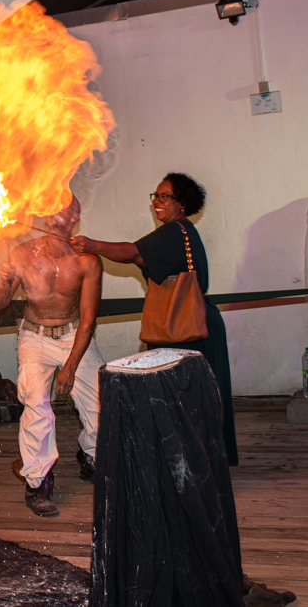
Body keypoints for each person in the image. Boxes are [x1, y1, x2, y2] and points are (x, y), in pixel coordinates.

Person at [71, 173, 239, 465]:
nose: (157, 202)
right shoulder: (179, 233)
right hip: (192, 324)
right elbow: (139, 258)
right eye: (156, 196)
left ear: (182, 202)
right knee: (189, 397)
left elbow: (131, 252)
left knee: (190, 397)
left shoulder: (176, 231)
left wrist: (91, 244)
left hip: (189, 325)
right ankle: (196, 461)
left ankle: (197, 463)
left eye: (165, 196)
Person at [0, 194, 104, 517]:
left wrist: (70, 367)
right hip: (34, 337)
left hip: (73, 336)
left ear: (75, 216)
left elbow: (88, 319)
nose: (56, 211)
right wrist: (4, 282)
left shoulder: (87, 260)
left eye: (64, 207)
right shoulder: (23, 253)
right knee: (37, 406)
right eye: (52, 205)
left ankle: (91, 456)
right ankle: (37, 481)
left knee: (101, 405)